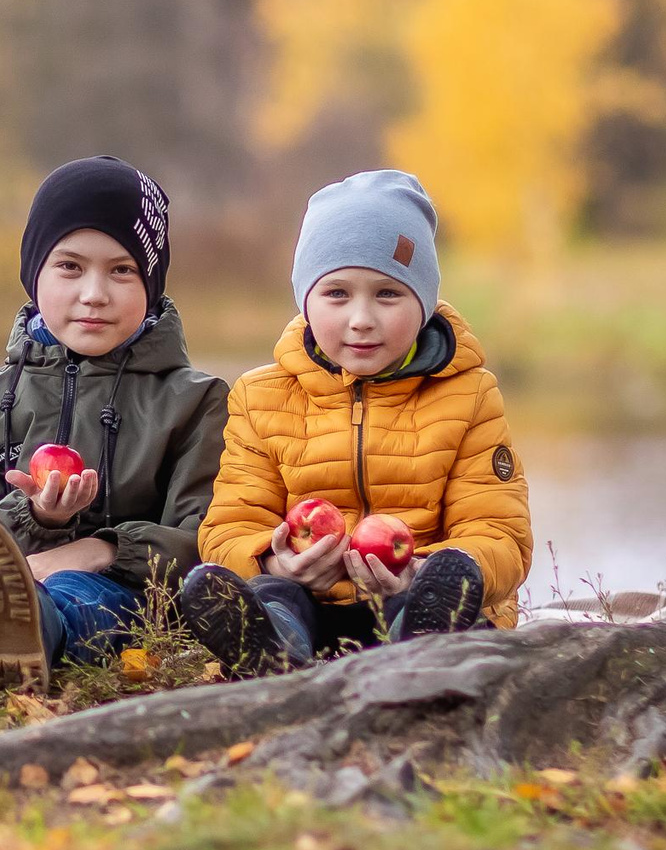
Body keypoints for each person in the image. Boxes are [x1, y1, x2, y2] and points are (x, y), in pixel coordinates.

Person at [0, 156, 225, 692]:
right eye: (70, 267)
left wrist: (97, 550)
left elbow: (204, 540)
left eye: (122, 270)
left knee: (79, 599)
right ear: (34, 273)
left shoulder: (197, 403)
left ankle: (25, 635)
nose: (94, 293)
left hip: (120, 592)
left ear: (151, 281)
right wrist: (33, 517)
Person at [179, 169, 531, 675]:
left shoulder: (469, 395)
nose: (361, 318)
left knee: (443, 605)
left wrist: (425, 572)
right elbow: (230, 525)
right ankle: (275, 647)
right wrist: (275, 561)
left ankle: (427, 636)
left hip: (411, 596)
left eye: (388, 294)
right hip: (313, 607)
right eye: (337, 294)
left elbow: (498, 530)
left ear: (424, 304)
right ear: (305, 301)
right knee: (276, 593)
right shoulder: (261, 397)